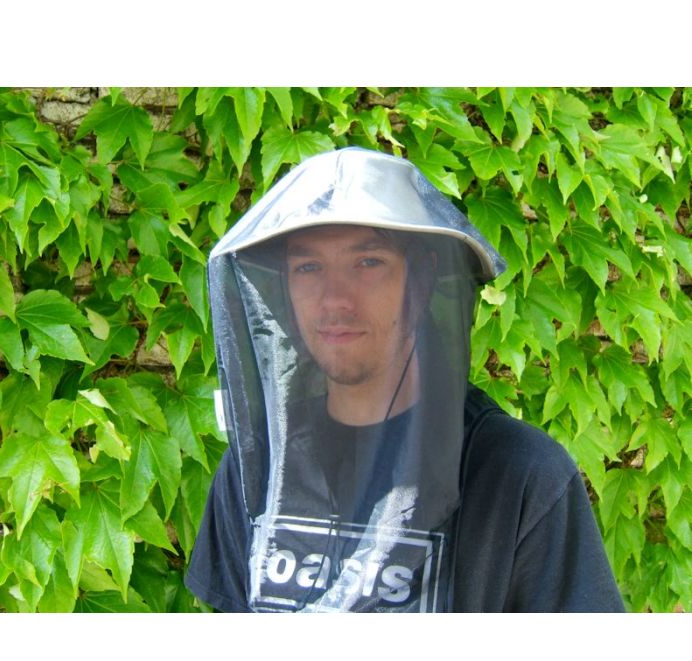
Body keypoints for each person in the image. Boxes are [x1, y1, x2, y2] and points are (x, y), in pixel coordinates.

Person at [186, 147, 625, 612]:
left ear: (421, 280)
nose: (334, 299)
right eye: (308, 267)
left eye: (368, 262)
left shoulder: (520, 476)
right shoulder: (259, 463)